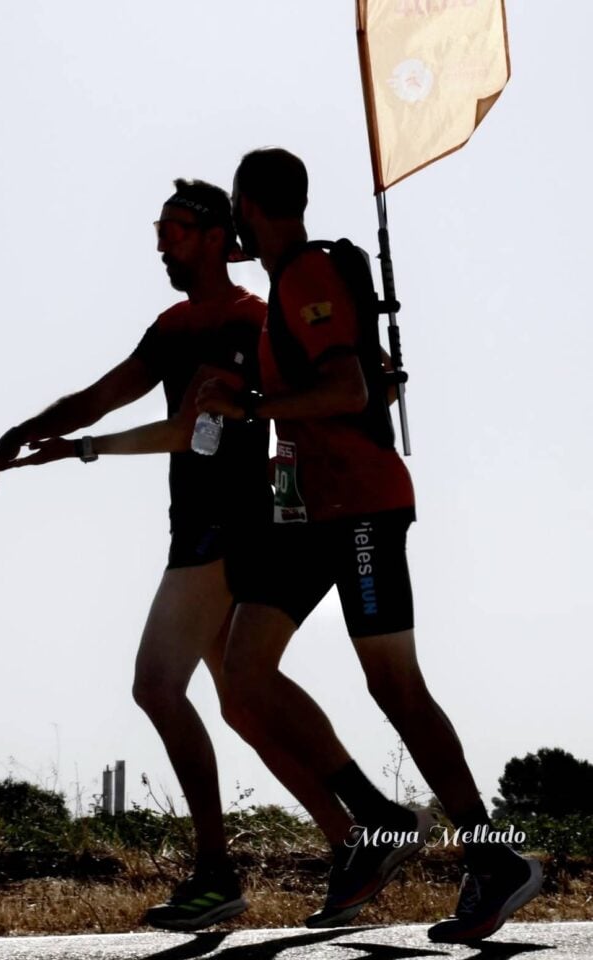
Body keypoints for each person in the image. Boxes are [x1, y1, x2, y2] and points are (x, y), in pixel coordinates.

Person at [0, 178, 367, 932]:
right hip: (195, 527)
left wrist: (82, 448)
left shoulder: (253, 319)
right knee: (243, 703)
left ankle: (218, 872)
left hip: (230, 528)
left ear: (220, 237)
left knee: (156, 687)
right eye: (158, 231)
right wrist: (23, 431)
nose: (162, 245)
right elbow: (101, 395)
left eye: (176, 231)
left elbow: (232, 424)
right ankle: (351, 840)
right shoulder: (174, 325)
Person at [196, 147, 543, 942]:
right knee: (243, 674)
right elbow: (376, 379)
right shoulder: (292, 285)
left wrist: (253, 407)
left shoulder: (308, 275)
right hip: (310, 515)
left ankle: (492, 857)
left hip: (360, 510)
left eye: (235, 209)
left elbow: (348, 387)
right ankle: (378, 820)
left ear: (249, 205)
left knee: (393, 686)